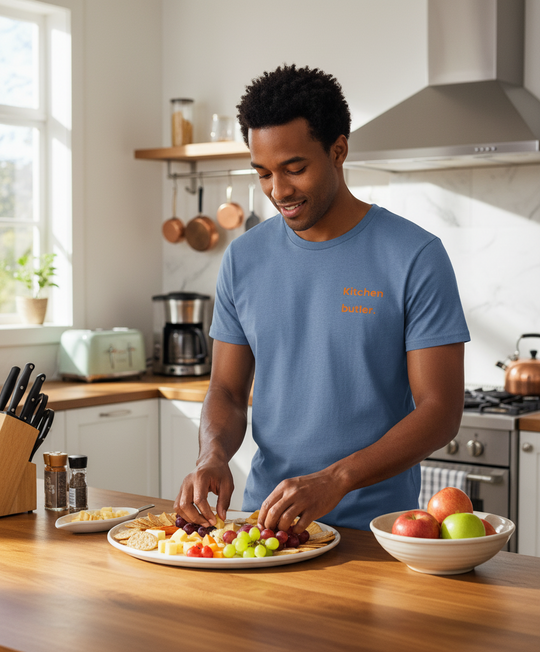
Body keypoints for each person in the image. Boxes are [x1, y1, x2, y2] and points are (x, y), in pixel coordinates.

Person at [174, 64, 470, 534]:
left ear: (338, 150)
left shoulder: (415, 255)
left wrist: (336, 479)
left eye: (295, 168)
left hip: (378, 535)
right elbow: (227, 392)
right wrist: (212, 453)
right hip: (267, 527)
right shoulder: (243, 258)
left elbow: (439, 411)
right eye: (263, 173)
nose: (278, 191)